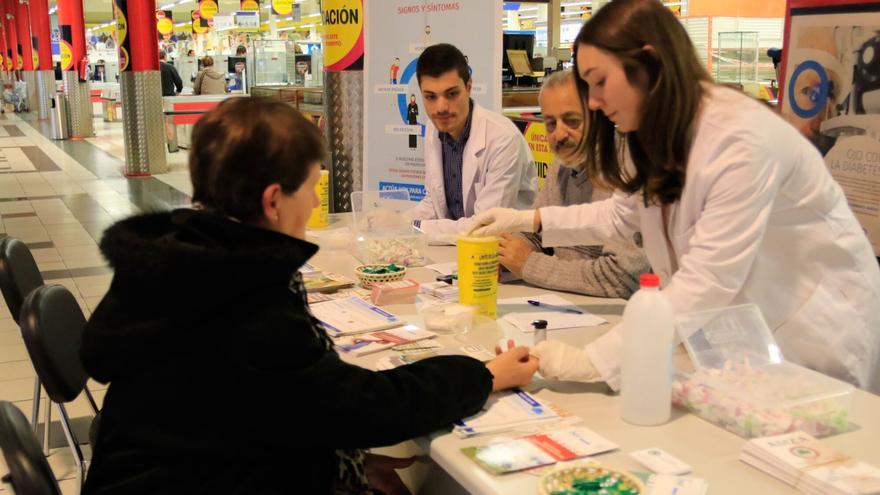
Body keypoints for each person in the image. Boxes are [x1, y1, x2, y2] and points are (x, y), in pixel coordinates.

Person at [79, 97, 538, 494]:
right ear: (273, 200)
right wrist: (482, 375)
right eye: (310, 188)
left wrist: (332, 461)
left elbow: (260, 413)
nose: (317, 204)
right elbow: (364, 406)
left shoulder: (177, 263)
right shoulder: (245, 301)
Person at [469, 0, 880, 392]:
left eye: (599, 82)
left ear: (647, 64)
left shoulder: (739, 139)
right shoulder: (648, 130)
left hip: (810, 330)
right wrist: (529, 220)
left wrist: (594, 361)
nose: (593, 101)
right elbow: (620, 215)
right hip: (741, 330)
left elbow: (709, 277)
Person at [500, 70, 649, 298]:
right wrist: (504, 254)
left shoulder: (629, 166)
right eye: (550, 124)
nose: (559, 134)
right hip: (570, 308)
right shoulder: (563, 164)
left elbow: (624, 277)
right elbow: (534, 233)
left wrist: (529, 265)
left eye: (572, 121)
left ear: (599, 116)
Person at [410, 43, 536, 235]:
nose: (441, 107)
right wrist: (400, 221)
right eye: (430, 97)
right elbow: (435, 202)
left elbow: (486, 224)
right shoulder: (432, 128)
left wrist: (418, 226)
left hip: (504, 250)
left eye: (451, 94)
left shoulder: (503, 139)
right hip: (454, 247)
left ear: (468, 87)